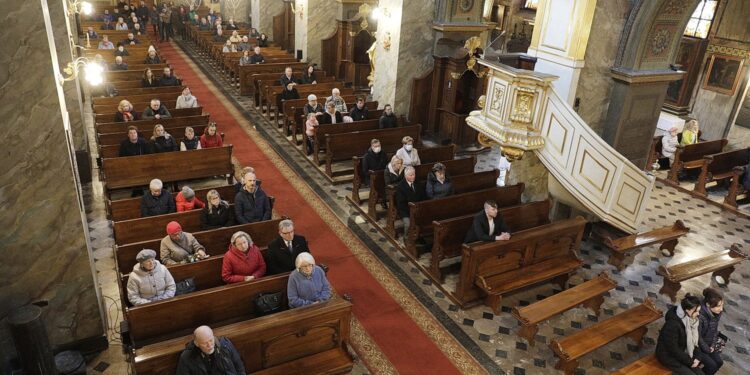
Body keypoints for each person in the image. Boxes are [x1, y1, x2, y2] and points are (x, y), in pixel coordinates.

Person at [656, 294, 704, 374]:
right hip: (668, 356)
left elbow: (694, 341)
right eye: (696, 311)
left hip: (683, 353)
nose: (698, 314)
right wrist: (690, 362)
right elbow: (673, 349)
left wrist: (697, 357)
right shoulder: (672, 324)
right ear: (687, 310)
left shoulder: (691, 321)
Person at [176, 325, 245, 374]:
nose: (209, 345)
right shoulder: (187, 357)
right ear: (197, 344)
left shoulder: (225, 345)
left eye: (211, 340)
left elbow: (239, 367)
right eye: (204, 343)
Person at [696, 288, 725, 375]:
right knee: (712, 365)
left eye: (722, 305)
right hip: (697, 347)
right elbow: (697, 337)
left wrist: (712, 345)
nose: (721, 309)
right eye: (718, 306)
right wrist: (707, 349)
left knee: (719, 362)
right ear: (708, 304)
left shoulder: (716, 313)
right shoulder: (699, 316)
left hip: (708, 345)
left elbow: (715, 331)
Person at [395, 166, 425, 232]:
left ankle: (419, 237)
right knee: (408, 224)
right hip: (405, 211)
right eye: (410, 175)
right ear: (405, 176)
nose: (413, 176)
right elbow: (401, 204)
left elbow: (423, 196)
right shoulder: (400, 186)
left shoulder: (418, 183)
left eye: (414, 174)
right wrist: (411, 212)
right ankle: (407, 238)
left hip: (417, 209)